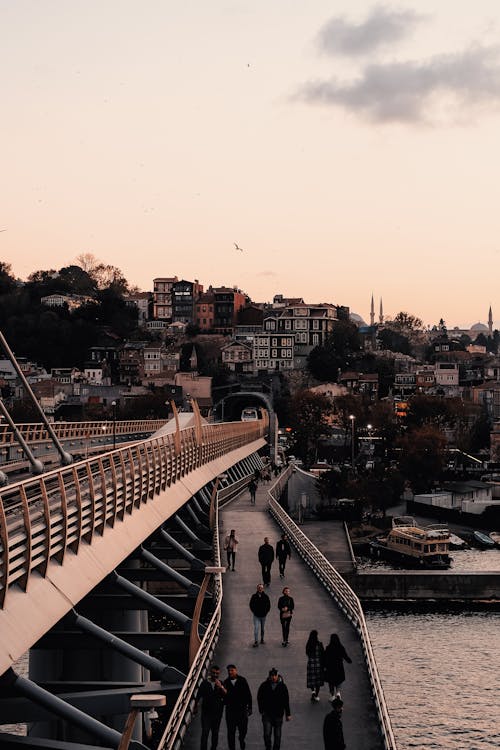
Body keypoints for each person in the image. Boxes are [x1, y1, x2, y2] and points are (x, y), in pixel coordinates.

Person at [194, 664, 227, 750]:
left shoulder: (221, 683)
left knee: (215, 734)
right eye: (213, 673)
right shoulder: (205, 683)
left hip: (217, 714)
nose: (215, 675)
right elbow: (198, 695)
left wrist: (221, 687)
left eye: (217, 673)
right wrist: (195, 706)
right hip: (206, 713)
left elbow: (227, 696)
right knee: (205, 732)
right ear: (210, 672)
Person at [257, 667, 291, 750]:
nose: (273, 677)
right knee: (267, 734)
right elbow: (259, 697)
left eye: (275, 675)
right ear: (269, 676)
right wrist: (261, 710)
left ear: (277, 676)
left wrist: (288, 714)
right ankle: (268, 747)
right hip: (267, 714)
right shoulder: (264, 685)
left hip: (278, 714)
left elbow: (286, 700)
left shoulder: (283, 686)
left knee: (278, 736)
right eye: (271, 676)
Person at [223, 663, 252, 750]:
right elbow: (224, 699)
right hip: (230, 712)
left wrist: (250, 707)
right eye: (229, 671)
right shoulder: (226, 682)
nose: (230, 672)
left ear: (236, 671)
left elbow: (248, 694)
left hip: (242, 711)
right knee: (230, 733)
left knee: (243, 731)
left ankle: (241, 741)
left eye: (232, 670)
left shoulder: (242, 680)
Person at [324, 633, 352, 700]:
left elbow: (325, 658)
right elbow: (345, 656)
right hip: (339, 667)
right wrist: (349, 661)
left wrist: (324, 666)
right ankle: (338, 693)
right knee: (338, 681)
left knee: (331, 682)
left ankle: (332, 696)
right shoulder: (341, 647)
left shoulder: (328, 648)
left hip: (330, 668)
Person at [306, 629, 325, 702]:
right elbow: (323, 654)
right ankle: (316, 695)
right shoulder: (319, 644)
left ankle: (312, 691)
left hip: (310, 664)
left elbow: (307, 653)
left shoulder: (308, 644)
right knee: (318, 681)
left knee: (311, 679)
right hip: (318, 664)